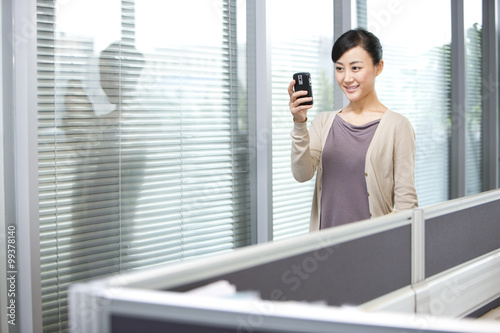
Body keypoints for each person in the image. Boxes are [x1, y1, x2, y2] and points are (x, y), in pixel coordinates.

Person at [288, 28, 418, 231]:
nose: (347, 78)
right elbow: (302, 174)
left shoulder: (398, 126)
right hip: (323, 252)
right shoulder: (323, 123)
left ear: (378, 67)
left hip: (374, 251)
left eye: (355, 68)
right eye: (340, 69)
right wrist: (299, 123)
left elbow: (407, 205)